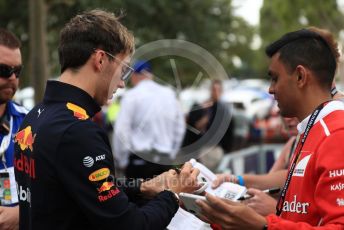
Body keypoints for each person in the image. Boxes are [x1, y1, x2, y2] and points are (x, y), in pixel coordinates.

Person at [14, 10, 200, 230]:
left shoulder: (35, 116)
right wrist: (173, 193)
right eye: (123, 70)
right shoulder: (77, 131)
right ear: (101, 59)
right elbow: (131, 225)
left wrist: (141, 186)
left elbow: (79, 184)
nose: (122, 83)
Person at [197, 27, 344, 229]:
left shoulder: (336, 134)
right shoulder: (310, 128)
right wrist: (224, 217)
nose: (270, 89)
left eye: (275, 78)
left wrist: (262, 225)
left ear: (301, 77)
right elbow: (296, 216)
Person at [113, 60, 186, 179]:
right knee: (165, 196)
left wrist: (122, 161)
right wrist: (172, 152)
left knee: (138, 196)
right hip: (164, 158)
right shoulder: (169, 94)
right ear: (150, 75)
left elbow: (121, 130)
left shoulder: (132, 95)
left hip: (139, 161)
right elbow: (179, 128)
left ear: (135, 76)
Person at [0, 28, 28, 230]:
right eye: (3, 70)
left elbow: (53, 188)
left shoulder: (30, 122)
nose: (12, 78)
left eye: (17, 71)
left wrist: (22, 213)